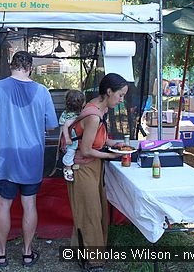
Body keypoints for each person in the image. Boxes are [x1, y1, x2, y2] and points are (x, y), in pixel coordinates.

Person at [0, 51, 58, 268]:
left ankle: (1, 254)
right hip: (33, 155)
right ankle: (27, 253)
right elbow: (51, 125)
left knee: (3, 205)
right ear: (30, 68)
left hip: (7, 156)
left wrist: (2, 123)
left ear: (11, 66)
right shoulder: (42, 91)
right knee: (29, 203)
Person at [67, 73, 128, 271]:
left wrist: (113, 144)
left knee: (94, 210)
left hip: (92, 165)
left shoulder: (98, 106)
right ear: (109, 92)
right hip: (83, 167)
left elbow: (97, 140)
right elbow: (85, 149)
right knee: (90, 213)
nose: (121, 100)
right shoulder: (93, 115)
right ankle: (93, 262)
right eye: (120, 95)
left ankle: (82, 253)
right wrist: (111, 156)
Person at [59, 90, 86, 182]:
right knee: (70, 152)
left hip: (78, 137)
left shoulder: (81, 113)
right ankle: (67, 167)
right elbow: (64, 126)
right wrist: (67, 138)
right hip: (71, 138)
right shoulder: (67, 115)